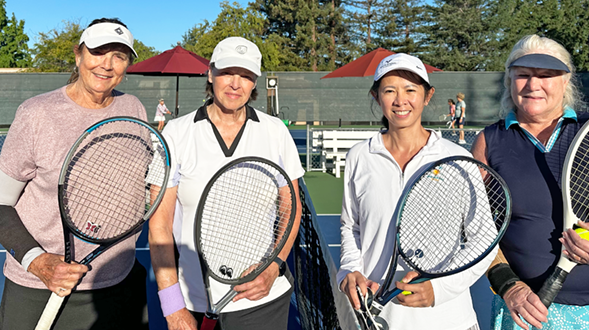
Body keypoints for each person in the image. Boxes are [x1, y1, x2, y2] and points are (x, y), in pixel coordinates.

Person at [472, 34, 589, 330]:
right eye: (523, 75)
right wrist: (509, 285)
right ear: (509, 81)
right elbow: (476, 229)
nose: (533, 85)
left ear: (565, 81)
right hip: (525, 315)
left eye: (546, 75)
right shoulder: (489, 142)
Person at [0, 18, 149, 329]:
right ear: (79, 55)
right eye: (98, 52)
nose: (107, 65)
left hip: (119, 285)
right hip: (38, 289)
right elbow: (0, 203)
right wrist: (38, 262)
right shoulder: (36, 113)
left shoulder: (134, 108)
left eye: (119, 56)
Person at [149, 36, 303, 330]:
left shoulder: (275, 132)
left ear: (255, 83)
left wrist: (274, 267)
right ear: (210, 73)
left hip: (263, 300)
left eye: (246, 76)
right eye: (227, 73)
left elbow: (291, 206)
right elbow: (159, 226)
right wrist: (172, 306)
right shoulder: (176, 134)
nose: (235, 84)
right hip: (193, 301)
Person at [337, 53, 496, 330]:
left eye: (411, 90)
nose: (401, 100)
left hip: (449, 320)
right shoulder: (359, 156)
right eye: (390, 91)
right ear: (376, 97)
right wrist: (349, 271)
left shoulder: (457, 159)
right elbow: (352, 227)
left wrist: (440, 289)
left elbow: (484, 239)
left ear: (427, 95)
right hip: (376, 319)